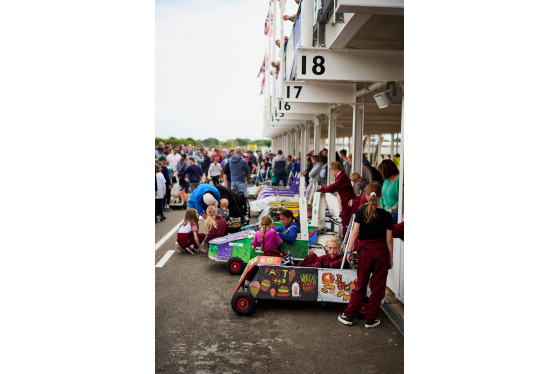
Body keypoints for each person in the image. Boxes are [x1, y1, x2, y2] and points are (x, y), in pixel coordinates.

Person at [337, 182, 393, 328]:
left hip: (365, 253)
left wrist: (349, 251)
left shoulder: (361, 211)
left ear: (366, 196)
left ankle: (348, 316)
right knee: (378, 287)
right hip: (381, 253)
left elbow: (354, 233)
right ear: (380, 196)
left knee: (360, 285)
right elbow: (388, 240)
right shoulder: (387, 215)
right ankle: (371, 319)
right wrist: (390, 258)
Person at [317, 162, 356, 238]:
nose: (331, 173)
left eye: (332, 171)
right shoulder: (342, 176)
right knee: (346, 220)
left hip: (347, 200)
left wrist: (321, 189)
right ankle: (347, 238)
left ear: (336, 170)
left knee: (346, 220)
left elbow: (333, 187)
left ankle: (346, 239)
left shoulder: (342, 177)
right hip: (346, 199)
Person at [377, 159, 400, 224]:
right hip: (386, 211)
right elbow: (382, 197)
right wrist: (381, 209)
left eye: (381, 171)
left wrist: (390, 211)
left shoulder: (399, 182)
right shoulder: (386, 181)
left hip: (395, 213)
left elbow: (402, 201)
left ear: (386, 170)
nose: (381, 174)